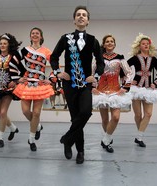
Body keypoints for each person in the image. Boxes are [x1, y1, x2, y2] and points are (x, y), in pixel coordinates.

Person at [50, 5, 105, 164]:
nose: (81, 17)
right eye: (78, 15)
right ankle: (80, 151)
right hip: (69, 84)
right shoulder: (65, 38)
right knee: (76, 118)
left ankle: (67, 139)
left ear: (88, 21)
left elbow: (100, 63)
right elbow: (54, 57)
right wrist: (57, 72)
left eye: (84, 15)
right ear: (74, 20)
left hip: (85, 85)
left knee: (86, 112)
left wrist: (94, 76)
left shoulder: (93, 40)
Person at [12, 27, 54, 151]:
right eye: (33, 33)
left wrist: (50, 78)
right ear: (30, 36)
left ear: (41, 36)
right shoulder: (25, 50)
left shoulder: (46, 51)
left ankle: (31, 139)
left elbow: (55, 65)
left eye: (37, 33)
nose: (35, 35)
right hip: (26, 84)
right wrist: (17, 78)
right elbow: (13, 63)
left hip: (40, 85)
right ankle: (38, 126)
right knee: (25, 111)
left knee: (36, 113)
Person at [92, 34, 133, 153]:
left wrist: (125, 87)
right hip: (101, 92)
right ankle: (108, 141)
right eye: (107, 41)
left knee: (115, 117)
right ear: (104, 44)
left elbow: (129, 73)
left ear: (114, 44)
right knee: (105, 119)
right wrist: (92, 87)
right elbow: (91, 72)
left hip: (116, 91)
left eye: (112, 41)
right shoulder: (98, 58)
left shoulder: (120, 58)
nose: (110, 43)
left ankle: (106, 139)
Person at [127, 33, 157, 147]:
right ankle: (140, 137)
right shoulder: (134, 58)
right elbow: (123, 69)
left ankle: (139, 136)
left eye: (147, 44)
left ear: (150, 45)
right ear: (139, 46)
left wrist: (155, 83)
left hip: (148, 89)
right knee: (138, 115)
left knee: (148, 114)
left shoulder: (153, 59)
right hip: (136, 88)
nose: (145, 45)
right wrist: (128, 81)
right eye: (143, 44)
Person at [0, 33, 22, 148]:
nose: (2, 45)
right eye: (1, 43)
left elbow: (21, 70)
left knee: (3, 113)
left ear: (8, 45)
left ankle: (0, 138)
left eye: (4, 43)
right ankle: (13, 128)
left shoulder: (14, 55)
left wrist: (15, 81)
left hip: (8, 88)